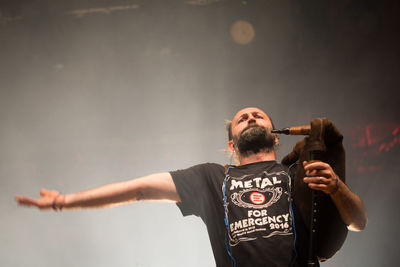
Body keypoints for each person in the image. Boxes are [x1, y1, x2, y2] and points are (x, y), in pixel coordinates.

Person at [15, 107, 367, 267]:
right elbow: (138, 189)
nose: (250, 118)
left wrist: (337, 188)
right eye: (243, 117)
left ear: (274, 135)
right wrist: (64, 201)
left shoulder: (297, 175)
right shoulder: (211, 178)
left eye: (258, 115)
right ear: (231, 144)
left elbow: (357, 222)